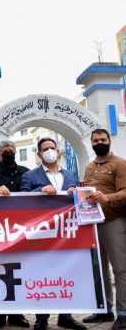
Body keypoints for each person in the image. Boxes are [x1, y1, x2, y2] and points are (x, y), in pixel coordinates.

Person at [20, 138, 86, 330]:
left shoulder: (70, 175)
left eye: (52, 148)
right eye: (45, 149)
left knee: (66, 273)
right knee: (42, 274)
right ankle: (42, 318)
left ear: (57, 150)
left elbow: (79, 201)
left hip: (66, 234)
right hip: (42, 233)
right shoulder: (30, 176)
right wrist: (39, 190)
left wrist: (76, 192)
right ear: (39, 154)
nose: (49, 151)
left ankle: (65, 316)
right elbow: (21, 199)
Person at [82, 129, 126, 330]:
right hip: (92, 224)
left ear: (109, 141)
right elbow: (87, 190)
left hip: (114, 222)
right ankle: (104, 310)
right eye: (95, 140)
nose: (99, 142)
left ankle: (123, 313)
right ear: (91, 143)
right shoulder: (90, 166)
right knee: (99, 269)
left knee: (120, 269)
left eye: (103, 139)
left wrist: (107, 198)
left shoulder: (120, 163)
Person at [0, 140, 30, 328]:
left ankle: (17, 314)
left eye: (12, 150)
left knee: (19, 269)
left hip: (21, 228)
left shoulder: (26, 171)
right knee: (1, 269)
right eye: (5, 151)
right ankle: (0, 314)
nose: (9, 153)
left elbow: (31, 194)